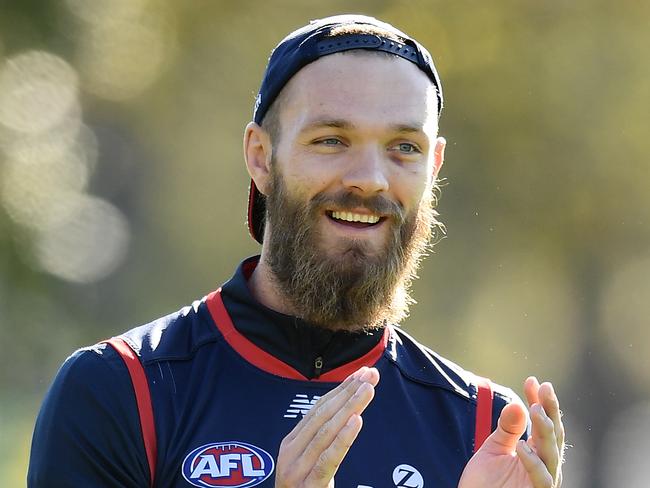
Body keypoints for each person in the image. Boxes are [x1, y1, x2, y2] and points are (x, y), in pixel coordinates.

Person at [28, 14, 565, 488]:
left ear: (435, 167)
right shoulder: (120, 391)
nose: (369, 179)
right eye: (331, 140)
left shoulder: (489, 431)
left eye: (405, 147)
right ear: (261, 157)